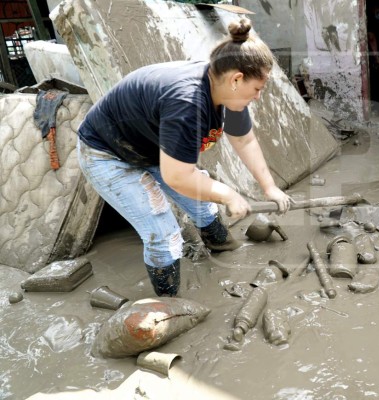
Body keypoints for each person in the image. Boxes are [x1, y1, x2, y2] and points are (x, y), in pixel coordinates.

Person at [77, 18, 292, 297]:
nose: (259, 97)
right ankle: (169, 302)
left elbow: (244, 139)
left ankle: (221, 246)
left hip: (151, 146)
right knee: (164, 235)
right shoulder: (187, 102)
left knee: (203, 204)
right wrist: (228, 195)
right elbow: (177, 176)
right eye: (258, 89)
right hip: (107, 154)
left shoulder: (227, 90)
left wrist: (269, 187)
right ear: (237, 79)